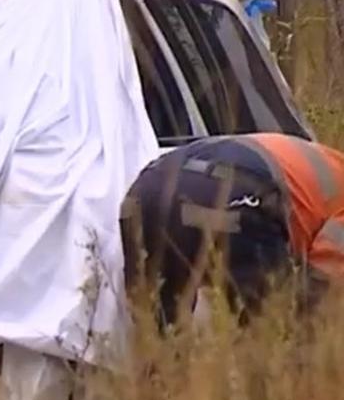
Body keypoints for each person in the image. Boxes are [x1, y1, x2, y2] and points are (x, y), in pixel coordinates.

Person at [119, 132, 344, 327]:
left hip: (143, 194)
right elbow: (320, 281)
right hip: (234, 196)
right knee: (274, 334)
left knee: (160, 344)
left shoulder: (327, 163)